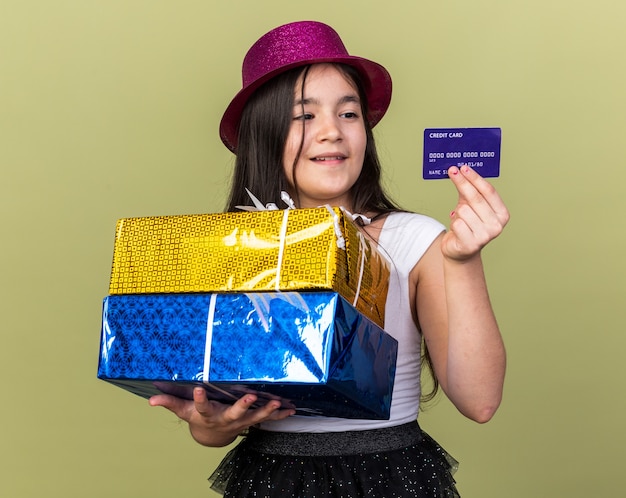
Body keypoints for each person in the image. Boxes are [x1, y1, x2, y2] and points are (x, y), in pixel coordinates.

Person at [149, 20, 508, 497]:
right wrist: (213, 424)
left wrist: (464, 262)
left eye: (349, 113)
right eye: (304, 116)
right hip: (270, 478)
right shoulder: (234, 248)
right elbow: (212, 421)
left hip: (392, 477)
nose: (331, 133)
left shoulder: (415, 241)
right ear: (264, 131)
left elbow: (480, 401)